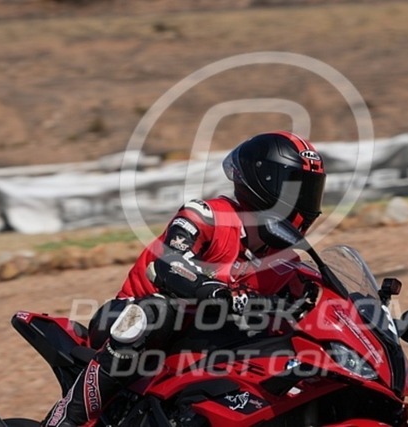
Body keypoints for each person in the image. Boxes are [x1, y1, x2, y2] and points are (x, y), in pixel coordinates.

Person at [41, 131, 327, 427]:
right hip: (128, 318)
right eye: (295, 189)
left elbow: (314, 302)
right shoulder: (205, 216)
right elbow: (169, 263)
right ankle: (68, 418)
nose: (304, 202)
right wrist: (214, 290)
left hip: (204, 339)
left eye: (310, 191)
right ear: (261, 182)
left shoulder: (286, 263)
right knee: (155, 312)